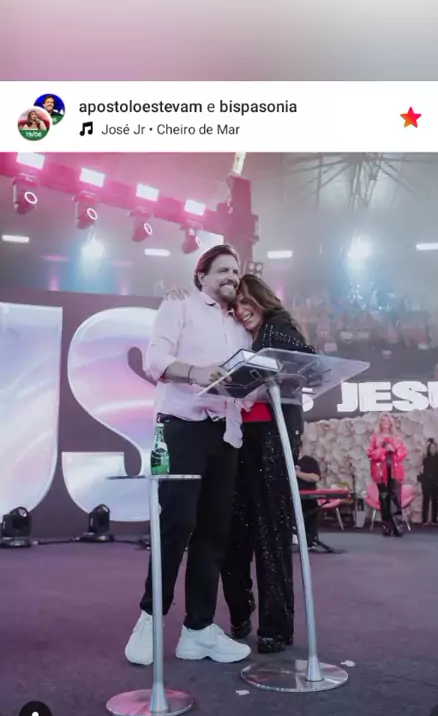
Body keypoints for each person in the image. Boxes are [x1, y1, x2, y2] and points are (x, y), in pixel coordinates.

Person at [125, 245, 253, 667]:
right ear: (201, 276)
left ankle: (198, 630)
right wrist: (196, 373)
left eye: (236, 270)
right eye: (223, 270)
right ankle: (149, 620)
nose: (231, 276)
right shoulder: (178, 304)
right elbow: (154, 360)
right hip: (180, 426)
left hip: (227, 433)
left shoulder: (242, 325)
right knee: (175, 525)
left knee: (214, 534)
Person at [221, 275, 316, 653]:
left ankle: (275, 626)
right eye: (236, 306)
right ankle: (241, 612)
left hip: (272, 434)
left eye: (247, 302)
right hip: (238, 436)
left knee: (270, 531)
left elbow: (307, 361)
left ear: (262, 299)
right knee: (234, 532)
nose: (242, 311)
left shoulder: (277, 328)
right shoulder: (241, 334)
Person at [367, 413, 407, 536]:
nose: (385, 423)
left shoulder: (396, 437)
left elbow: (403, 452)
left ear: (391, 423)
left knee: (395, 497)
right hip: (380, 471)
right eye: (382, 420)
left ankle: (397, 526)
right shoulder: (374, 438)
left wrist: (393, 449)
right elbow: (370, 453)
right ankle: (386, 525)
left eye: (387, 420)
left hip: (394, 470)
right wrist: (384, 450)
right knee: (384, 498)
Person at [295, 442, 322, 549]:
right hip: (289, 497)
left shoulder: (310, 461)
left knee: (311, 512)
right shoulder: (285, 461)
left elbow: (315, 478)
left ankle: (310, 540)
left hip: (307, 497)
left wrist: (297, 474)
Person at [419, 439, 438, 524]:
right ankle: (424, 519)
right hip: (426, 481)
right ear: (428, 449)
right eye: (431, 448)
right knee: (426, 500)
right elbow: (421, 468)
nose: (433, 449)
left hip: (436, 481)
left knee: (435, 500)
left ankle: (434, 519)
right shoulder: (425, 459)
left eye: (434, 448)